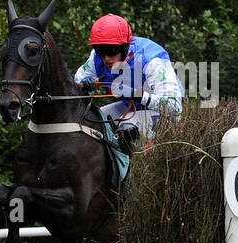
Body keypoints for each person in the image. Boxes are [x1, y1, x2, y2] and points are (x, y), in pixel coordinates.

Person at [74, 13, 183, 153]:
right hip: (132, 107)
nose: (106, 58)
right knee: (92, 120)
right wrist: (85, 88)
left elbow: (174, 106)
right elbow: (77, 83)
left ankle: (135, 172)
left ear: (125, 47)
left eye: (111, 51)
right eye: (100, 51)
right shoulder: (97, 57)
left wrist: (137, 94)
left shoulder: (151, 60)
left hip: (166, 115)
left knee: (127, 127)